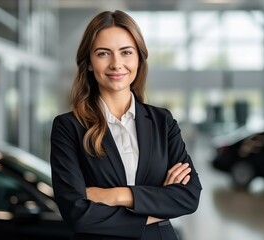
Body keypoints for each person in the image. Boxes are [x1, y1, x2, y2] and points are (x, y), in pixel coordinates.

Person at [50, 10, 202, 240]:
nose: (116, 64)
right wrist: (159, 203)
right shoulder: (69, 127)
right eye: (103, 54)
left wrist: (116, 196)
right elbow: (76, 212)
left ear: (139, 59)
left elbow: (189, 196)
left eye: (126, 52)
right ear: (89, 63)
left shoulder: (163, 122)